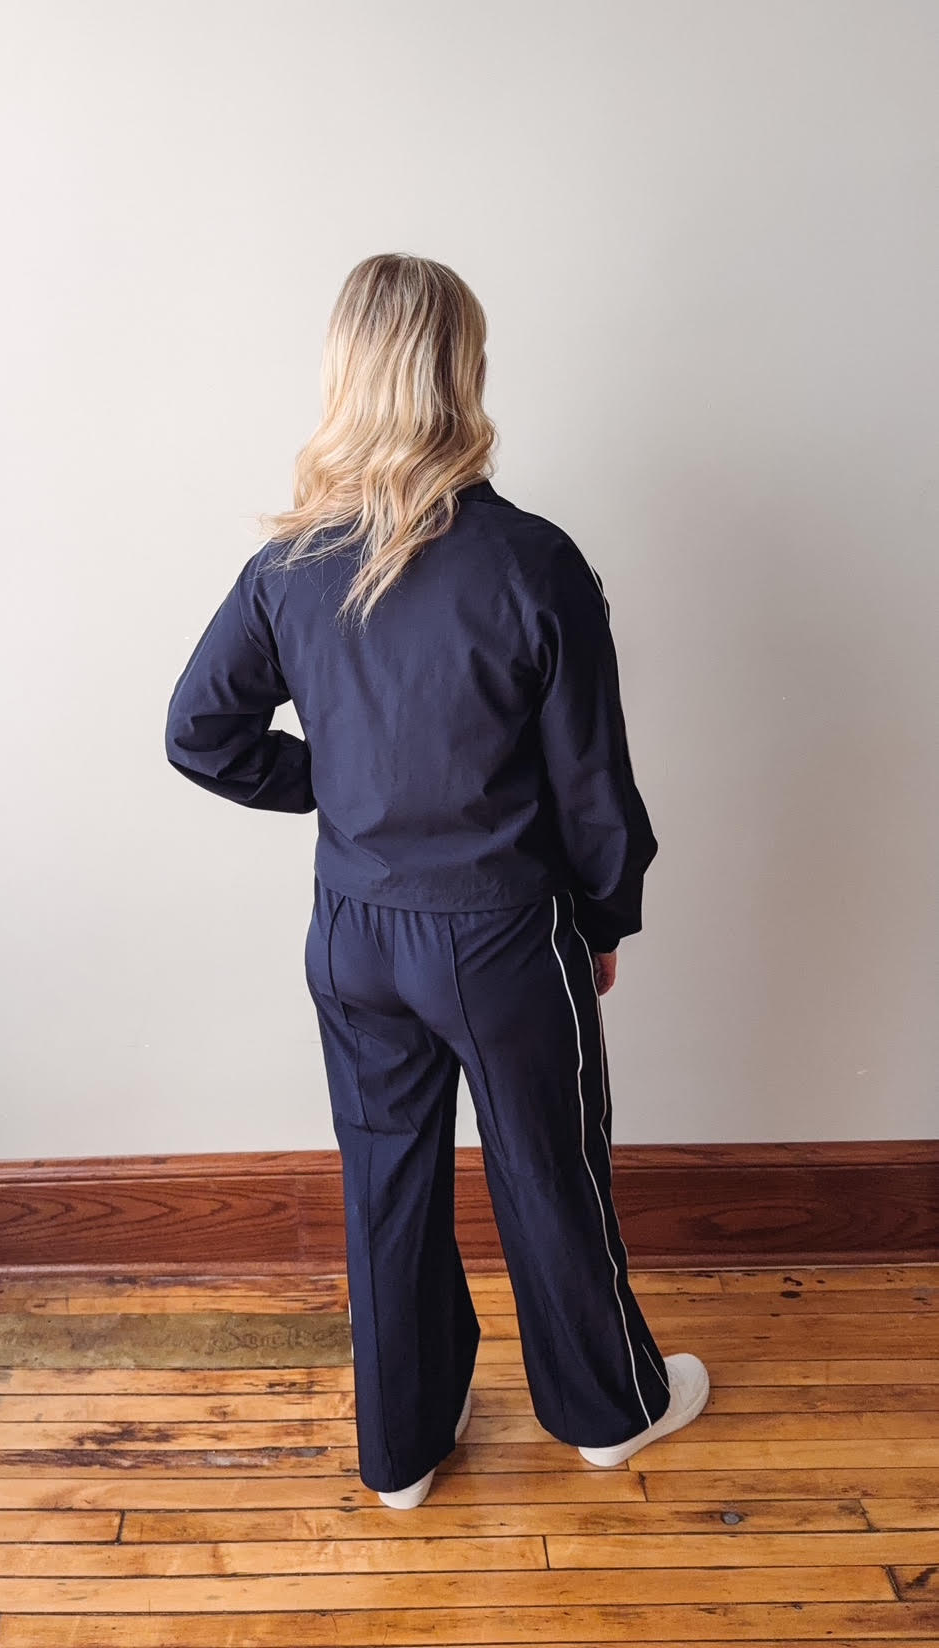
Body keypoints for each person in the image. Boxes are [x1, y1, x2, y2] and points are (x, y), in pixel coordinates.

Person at [164, 252, 709, 1509]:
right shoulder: (534, 563)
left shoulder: (289, 569)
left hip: (354, 939)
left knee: (384, 1177)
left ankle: (402, 1447)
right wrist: (607, 916)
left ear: (345, 375)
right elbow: (592, 787)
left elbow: (201, 731)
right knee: (548, 1167)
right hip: (504, 936)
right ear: (461, 374)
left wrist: (337, 788)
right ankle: (607, 1409)